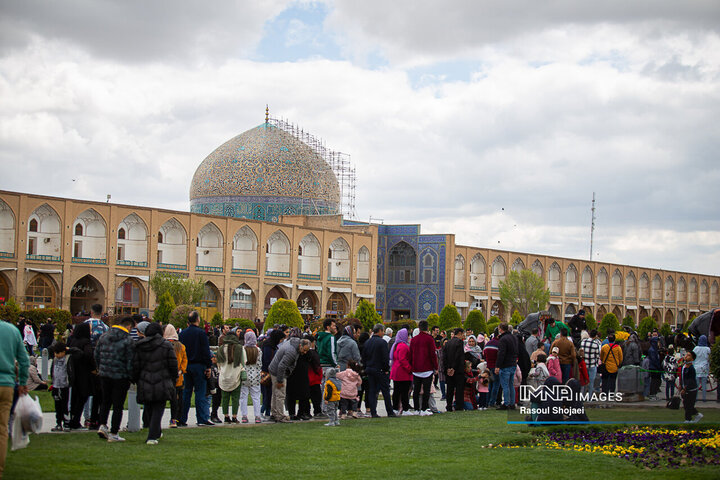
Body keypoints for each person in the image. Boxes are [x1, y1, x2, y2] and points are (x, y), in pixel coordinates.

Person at [133, 322, 177, 445]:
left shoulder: (140, 346)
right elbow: (172, 364)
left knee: (150, 407)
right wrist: (173, 377)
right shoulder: (166, 345)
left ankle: (155, 432)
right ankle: (152, 436)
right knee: (158, 408)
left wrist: (135, 378)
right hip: (161, 380)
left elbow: (136, 365)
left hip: (145, 380)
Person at [94, 315, 136, 442]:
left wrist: (99, 368)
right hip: (120, 376)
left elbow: (96, 354)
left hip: (105, 374)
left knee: (105, 401)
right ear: (128, 326)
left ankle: (102, 425)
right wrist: (131, 376)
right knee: (118, 405)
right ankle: (114, 432)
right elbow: (130, 361)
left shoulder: (104, 336)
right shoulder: (128, 340)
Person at [1, 316, 29, 476]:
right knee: (2, 430)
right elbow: (24, 361)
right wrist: (23, 382)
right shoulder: (11, 330)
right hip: (6, 384)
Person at [179, 311, 214, 427]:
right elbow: (205, 351)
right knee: (200, 392)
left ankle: (182, 418)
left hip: (187, 365)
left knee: (186, 392)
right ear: (198, 319)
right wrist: (208, 366)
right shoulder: (201, 333)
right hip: (199, 365)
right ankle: (202, 418)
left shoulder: (183, 333)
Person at [268, 337, 311, 423]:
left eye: (307, 351)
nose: (304, 352)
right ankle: (279, 416)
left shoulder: (294, 345)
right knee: (280, 394)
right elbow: (281, 366)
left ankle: (274, 414)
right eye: (304, 350)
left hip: (274, 369)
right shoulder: (291, 352)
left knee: (275, 393)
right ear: (300, 345)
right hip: (278, 372)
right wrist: (280, 380)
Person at [362, 323, 397, 418]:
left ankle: (373, 412)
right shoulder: (382, 343)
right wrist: (386, 369)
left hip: (370, 369)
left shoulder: (367, 342)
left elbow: (364, 357)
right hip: (380, 370)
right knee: (385, 391)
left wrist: (366, 367)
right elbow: (385, 358)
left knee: (372, 391)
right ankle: (389, 411)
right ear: (380, 331)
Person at [66, 322, 95, 429]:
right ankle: (76, 420)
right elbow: (88, 355)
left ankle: (72, 417)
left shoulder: (73, 341)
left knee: (75, 396)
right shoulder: (86, 342)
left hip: (74, 372)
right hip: (84, 373)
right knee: (83, 397)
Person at [216, 323, 246, 424]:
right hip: (236, 375)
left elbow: (218, 363)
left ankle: (225, 416)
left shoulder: (221, 349)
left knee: (224, 398)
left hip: (224, 376)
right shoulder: (240, 348)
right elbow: (244, 361)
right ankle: (234, 416)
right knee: (235, 398)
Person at [410, 319, 438, 414]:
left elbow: (410, 354)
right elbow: (432, 354)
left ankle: (417, 409)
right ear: (428, 328)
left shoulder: (414, 340)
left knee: (416, 390)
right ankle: (424, 409)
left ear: (419, 328)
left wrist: (411, 366)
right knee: (426, 390)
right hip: (427, 368)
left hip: (416, 368)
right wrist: (436, 367)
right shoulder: (430, 339)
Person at [163, 324, 187, 428]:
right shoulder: (181, 346)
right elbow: (185, 360)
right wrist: (181, 370)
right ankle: (174, 419)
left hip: (164, 376)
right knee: (176, 399)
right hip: (178, 376)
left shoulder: (163, 345)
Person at [239, 330, 263, 424]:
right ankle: (257, 416)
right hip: (255, 376)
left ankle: (244, 416)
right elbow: (259, 364)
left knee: (243, 397)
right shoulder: (258, 350)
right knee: (256, 397)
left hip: (244, 375)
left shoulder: (242, 349)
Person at [495, 323, 518, 410]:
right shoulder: (513, 337)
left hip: (505, 364)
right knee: (510, 385)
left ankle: (506, 403)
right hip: (513, 363)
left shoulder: (503, 339)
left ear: (500, 329)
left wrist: (498, 366)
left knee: (505, 385)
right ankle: (512, 403)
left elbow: (501, 353)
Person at [443, 328, 467, 412]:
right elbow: (458, 356)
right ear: (459, 333)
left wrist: (447, 368)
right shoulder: (459, 342)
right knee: (459, 389)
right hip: (457, 370)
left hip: (449, 370)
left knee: (449, 389)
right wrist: (453, 368)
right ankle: (459, 406)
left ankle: (449, 405)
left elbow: (444, 357)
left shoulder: (448, 342)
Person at [390, 327, 412, 414]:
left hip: (396, 371)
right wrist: (409, 368)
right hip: (402, 372)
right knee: (404, 392)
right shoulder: (403, 346)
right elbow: (403, 359)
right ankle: (405, 409)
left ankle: (395, 408)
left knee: (397, 391)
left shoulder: (396, 345)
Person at [50, 342, 70, 432]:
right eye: (55, 353)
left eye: (58, 353)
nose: (56, 355)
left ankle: (66, 423)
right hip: (56, 385)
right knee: (57, 405)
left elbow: (78, 352)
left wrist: (69, 349)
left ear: (63, 352)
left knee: (64, 405)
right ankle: (58, 423)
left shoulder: (67, 359)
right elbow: (53, 371)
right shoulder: (54, 360)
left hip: (64, 386)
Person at [680, 350, 703, 423]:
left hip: (691, 390)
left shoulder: (691, 368)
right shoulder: (684, 366)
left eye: (689, 355)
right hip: (685, 388)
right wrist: (680, 385)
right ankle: (697, 414)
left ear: (692, 359)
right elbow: (682, 377)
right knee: (686, 404)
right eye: (686, 354)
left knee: (688, 405)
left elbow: (690, 380)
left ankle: (688, 419)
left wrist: (685, 388)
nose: (686, 356)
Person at [580, 330, 601, 396]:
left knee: (583, 382)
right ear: (595, 336)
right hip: (592, 365)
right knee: (591, 383)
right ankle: (589, 397)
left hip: (584, 364)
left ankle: (582, 396)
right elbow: (597, 355)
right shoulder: (595, 344)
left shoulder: (583, 342)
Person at [482, 331, 500, 407]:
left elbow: (484, 353)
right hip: (496, 367)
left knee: (489, 386)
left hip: (488, 366)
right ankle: (492, 402)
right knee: (496, 385)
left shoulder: (488, 343)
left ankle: (488, 401)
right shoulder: (499, 344)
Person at [693, 335, 711, 402]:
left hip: (696, 368)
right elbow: (709, 359)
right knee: (704, 385)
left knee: (696, 385)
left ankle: (696, 398)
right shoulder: (707, 349)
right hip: (704, 368)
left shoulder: (696, 348)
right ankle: (704, 398)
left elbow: (693, 357)